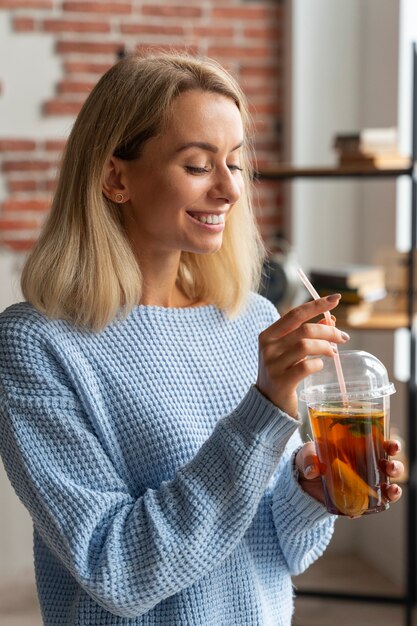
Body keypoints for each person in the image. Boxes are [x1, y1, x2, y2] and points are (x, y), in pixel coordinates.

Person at [0, 53, 403, 626]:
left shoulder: (251, 320)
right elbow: (117, 571)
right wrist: (261, 411)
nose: (229, 191)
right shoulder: (36, 345)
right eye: (198, 165)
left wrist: (314, 493)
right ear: (116, 177)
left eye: (235, 164)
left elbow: (278, 549)